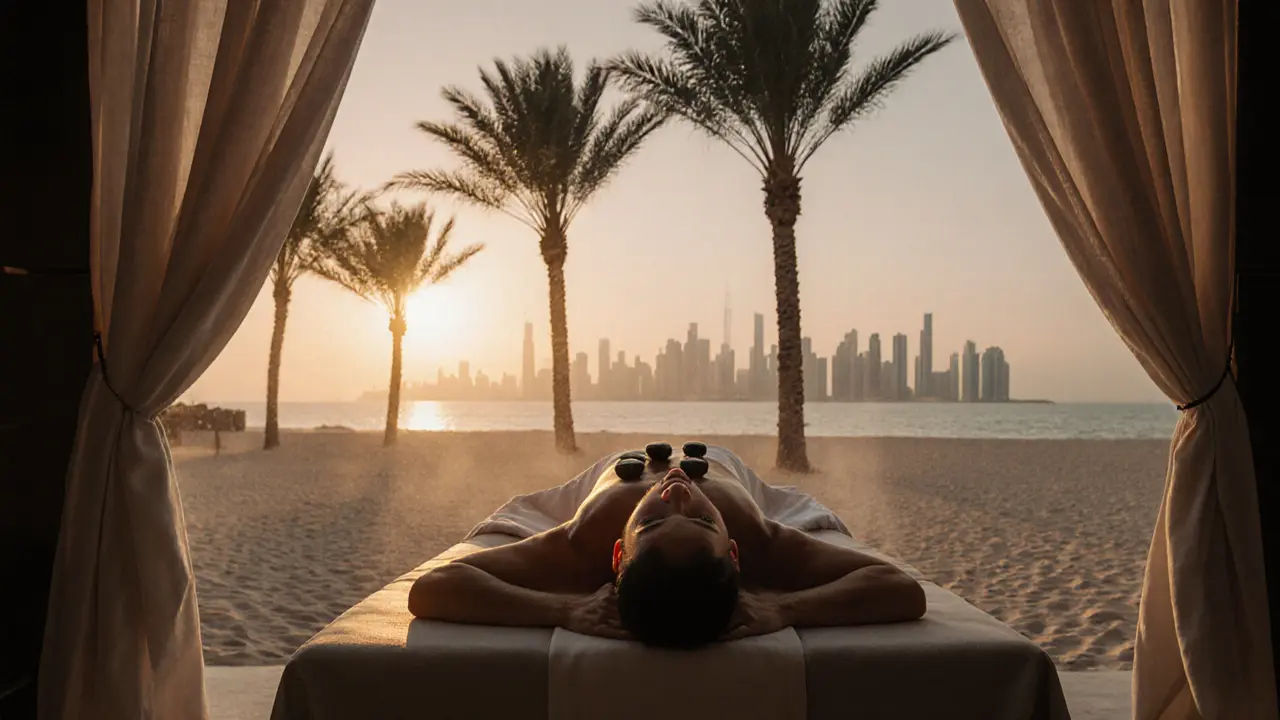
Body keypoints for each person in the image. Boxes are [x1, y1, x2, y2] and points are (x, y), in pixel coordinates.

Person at [409, 447, 925, 648]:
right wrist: (785, 609)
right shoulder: (760, 537)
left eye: (652, 521)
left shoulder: (584, 540)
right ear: (734, 553)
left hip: (617, 465)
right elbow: (897, 587)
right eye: (702, 519)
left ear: (617, 554)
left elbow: (436, 587)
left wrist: (561, 609)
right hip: (720, 462)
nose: (676, 491)